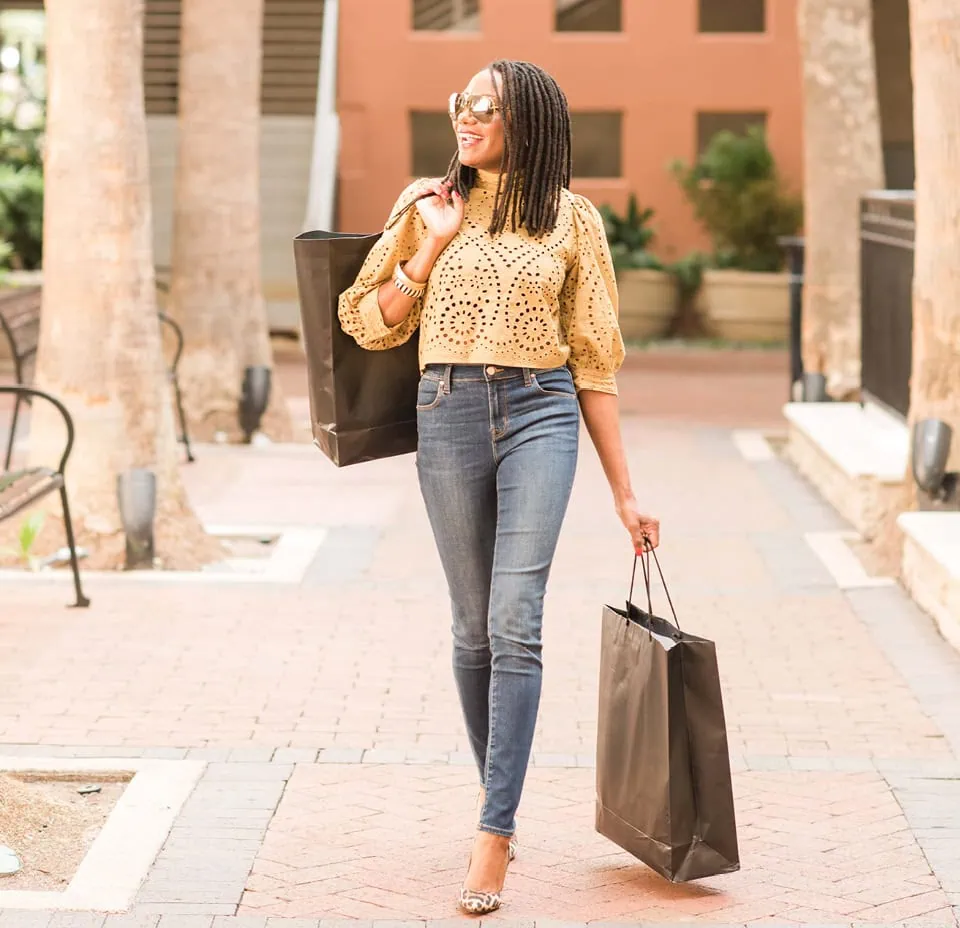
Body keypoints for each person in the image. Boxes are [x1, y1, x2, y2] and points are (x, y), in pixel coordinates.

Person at [338, 59, 660, 915]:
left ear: (530, 122)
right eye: (461, 102)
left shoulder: (574, 220)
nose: (466, 115)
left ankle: (494, 830)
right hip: (446, 410)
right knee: (473, 627)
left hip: (541, 413)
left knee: (517, 621)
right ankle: (502, 795)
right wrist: (431, 245)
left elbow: (594, 361)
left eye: (485, 105)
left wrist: (625, 492)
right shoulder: (425, 203)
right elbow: (364, 321)